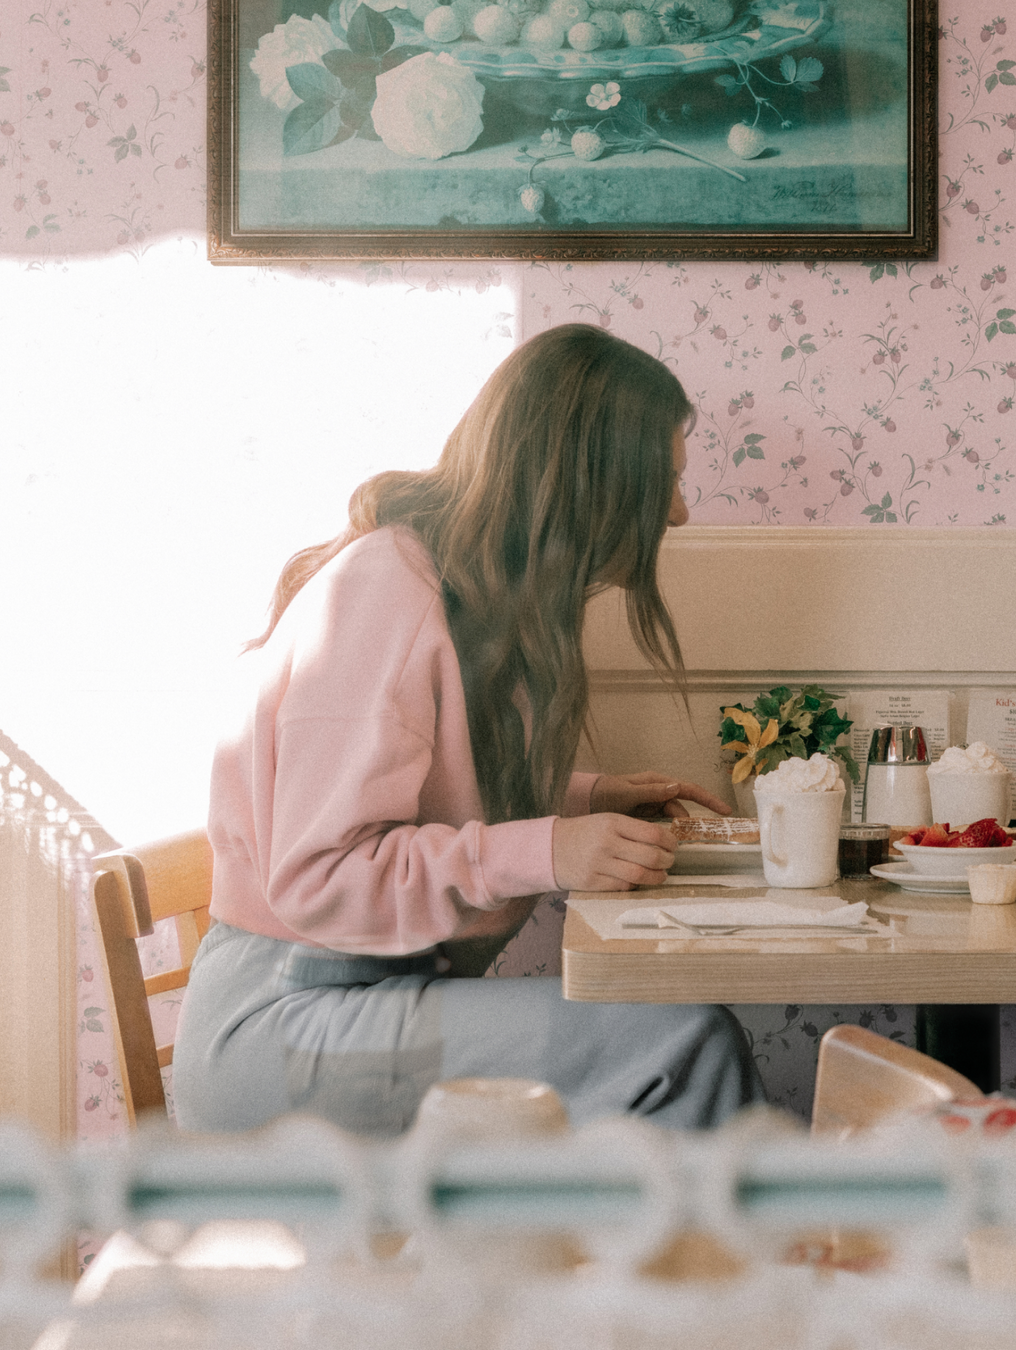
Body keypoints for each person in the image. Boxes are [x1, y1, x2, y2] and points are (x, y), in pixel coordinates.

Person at [172, 324, 758, 1137]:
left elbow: (418, 796)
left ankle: (596, 1262)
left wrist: (585, 798)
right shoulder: (383, 591)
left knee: (671, 1036)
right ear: (592, 481)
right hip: (284, 1022)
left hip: (350, 997)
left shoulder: (463, 593)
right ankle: (671, 1265)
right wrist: (549, 848)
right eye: (665, 481)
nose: (680, 514)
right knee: (683, 1044)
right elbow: (321, 877)